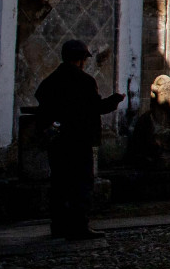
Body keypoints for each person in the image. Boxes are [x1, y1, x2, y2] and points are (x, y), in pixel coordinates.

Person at [32, 40, 125, 240]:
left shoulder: (52, 80)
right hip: (78, 140)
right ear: (82, 60)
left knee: (59, 184)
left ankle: (58, 225)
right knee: (81, 184)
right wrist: (114, 100)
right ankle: (79, 226)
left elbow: (41, 99)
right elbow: (95, 107)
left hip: (58, 140)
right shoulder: (84, 81)